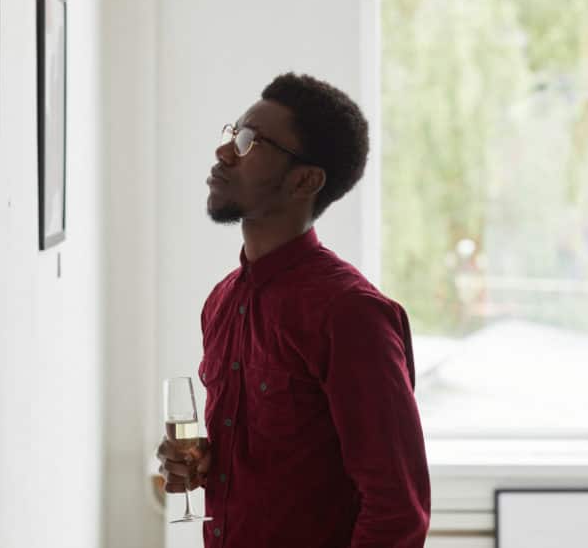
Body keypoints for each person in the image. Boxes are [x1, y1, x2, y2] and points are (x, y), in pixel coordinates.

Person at [157, 73, 430, 547]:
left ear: (305, 179)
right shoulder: (222, 302)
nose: (224, 152)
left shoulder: (350, 315)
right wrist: (202, 461)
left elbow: (397, 512)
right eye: (231, 134)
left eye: (249, 142)